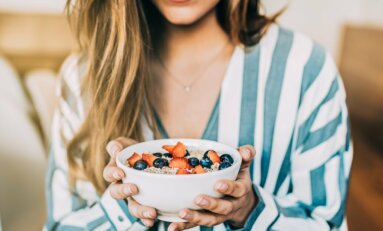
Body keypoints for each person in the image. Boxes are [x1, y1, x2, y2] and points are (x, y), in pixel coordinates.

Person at [45, 0, 353, 230]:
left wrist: (250, 211)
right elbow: (63, 224)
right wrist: (122, 206)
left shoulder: (305, 70)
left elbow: (326, 223)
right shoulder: (84, 79)